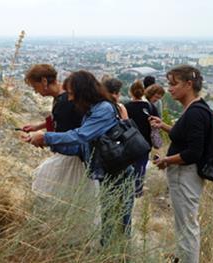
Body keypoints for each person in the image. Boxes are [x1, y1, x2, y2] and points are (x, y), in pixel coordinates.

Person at [24, 70, 136, 247]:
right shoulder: (92, 111)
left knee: (118, 224)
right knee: (107, 224)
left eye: (71, 94)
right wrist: (48, 143)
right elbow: (83, 147)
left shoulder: (103, 110)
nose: (69, 99)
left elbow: (80, 136)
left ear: (82, 91)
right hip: (107, 171)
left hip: (118, 172)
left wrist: (46, 137)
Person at [23, 65, 97, 233]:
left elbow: (66, 134)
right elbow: (56, 119)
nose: (36, 92)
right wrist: (38, 127)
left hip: (74, 156)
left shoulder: (65, 102)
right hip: (76, 155)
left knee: (45, 182)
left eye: (35, 87)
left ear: (44, 81)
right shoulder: (62, 98)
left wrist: (43, 139)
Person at [150, 65, 209, 263]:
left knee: (187, 227)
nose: (170, 89)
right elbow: (184, 135)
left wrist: (166, 160)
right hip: (185, 175)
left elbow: (193, 152)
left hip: (186, 176)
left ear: (189, 84)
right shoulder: (195, 108)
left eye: (174, 84)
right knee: (183, 224)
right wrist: (163, 125)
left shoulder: (194, 113)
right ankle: (182, 257)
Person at [125, 80, 159, 197]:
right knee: (141, 167)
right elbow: (157, 122)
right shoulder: (150, 106)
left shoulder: (126, 107)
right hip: (145, 143)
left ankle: (127, 189)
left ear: (131, 92)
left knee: (129, 166)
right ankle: (138, 190)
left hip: (129, 142)